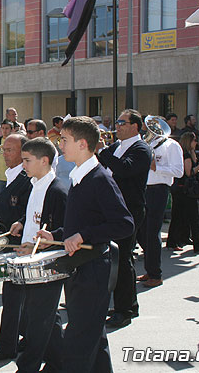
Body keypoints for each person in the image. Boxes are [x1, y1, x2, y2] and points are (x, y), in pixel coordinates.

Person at [35, 116, 133, 373]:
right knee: (93, 340)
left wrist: (84, 236)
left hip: (93, 272)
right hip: (82, 269)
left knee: (78, 344)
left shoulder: (100, 179)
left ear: (82, 144)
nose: (60, 145)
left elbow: (124, 224)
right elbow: (80, 224)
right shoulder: (80, 176)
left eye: (64, 140)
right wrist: (56, 235)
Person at [7, 137, 67, 373]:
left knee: (36, 321)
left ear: (44, 161)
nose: (23, 165)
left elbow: (64, 229)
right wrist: (21, 223)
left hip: (49, 264)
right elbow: (36, 216)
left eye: (27, 160)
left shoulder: (58, 191)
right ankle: (59, 364)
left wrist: (42, 242)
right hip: (33, 259)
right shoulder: (36, 184)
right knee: (45, 319)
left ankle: (27, 368)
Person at [0, 134, 33, 361]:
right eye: (4, 149)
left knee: (13, 297)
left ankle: (8, 346)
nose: (4, 154)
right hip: (11, 242)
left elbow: (23, 215)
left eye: (10, 150)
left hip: (20, 245)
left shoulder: (27, 178)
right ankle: (23, 340)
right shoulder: (12, 174)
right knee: (15, 298)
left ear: (23, 153)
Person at [97, 109, 152, 329]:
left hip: (130, 210)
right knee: (117, 259)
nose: (117, 126)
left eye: (122, 122)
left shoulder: (141, 149)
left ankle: (125, 309)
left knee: (123, 259)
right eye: (117, 122)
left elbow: (125, 169)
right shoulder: (118, 147)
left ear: (135, 127)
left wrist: (103, 151)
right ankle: (126, 304)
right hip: (114, 210)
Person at [138, 122, 184, 288]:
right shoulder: (149, 144)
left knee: (152, 231)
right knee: (142, 230)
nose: (150, 132)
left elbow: (178, 171)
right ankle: (149, 270)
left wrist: (156, 167)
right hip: (144, 188)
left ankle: (155, 274)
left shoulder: (172, 145)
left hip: (159, 189)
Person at [167, 132, 199, 253]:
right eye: (194, 140)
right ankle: (198, 245)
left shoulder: (186, 153)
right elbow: (189, 173)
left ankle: (173, 241)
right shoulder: (186, 155)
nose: (196, 142)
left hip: (181, 189)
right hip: (186, 190)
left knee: (178, 216)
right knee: (193, 218)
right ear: (189, 141)